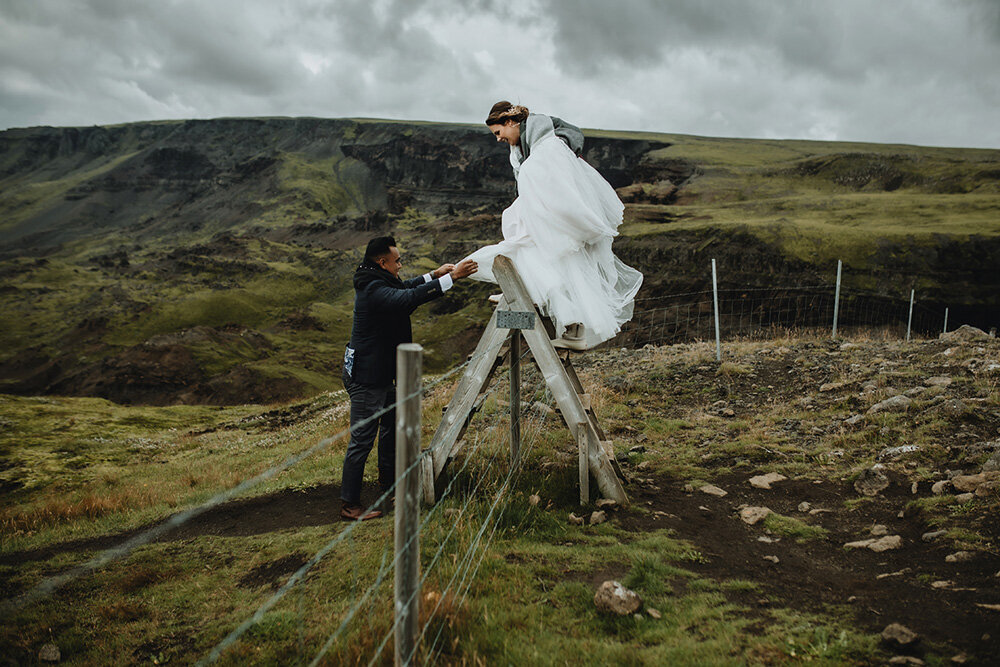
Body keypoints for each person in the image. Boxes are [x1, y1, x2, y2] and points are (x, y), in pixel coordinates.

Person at [464, 101, 643, 349]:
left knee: (535, 253)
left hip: (556, 223)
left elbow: (560, 191)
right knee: (542, 258)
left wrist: (555, 224)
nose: (498, 140)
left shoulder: (545, 150)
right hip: (551, 222)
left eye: (498, 133)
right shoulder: (535, 148)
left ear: (509, 122)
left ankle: (529, 297)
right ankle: (534, 299)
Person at [340, 236, 477, 520]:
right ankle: (350, 505)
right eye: (397, 261)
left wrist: (433, 275)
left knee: (391, 425)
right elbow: (405, 298)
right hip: (367, 376)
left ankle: (389, 484)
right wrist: (451, 278)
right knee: (362, 440)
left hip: (380, 373)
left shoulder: (376, 278)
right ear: (383, 262)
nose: (400, 265)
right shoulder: (372, 288)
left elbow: (403, 286)